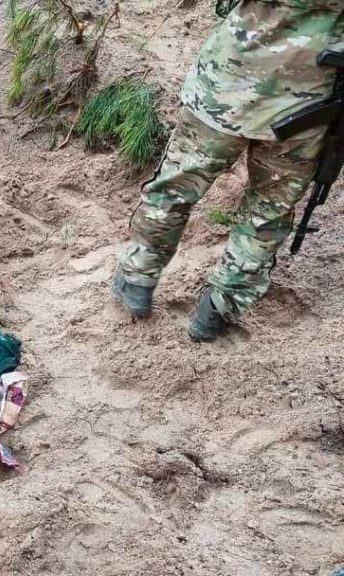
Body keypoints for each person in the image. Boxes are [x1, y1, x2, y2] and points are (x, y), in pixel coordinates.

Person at [111, 1, 344, 342]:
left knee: (177, 186)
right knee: (269, 211)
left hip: (227, 85)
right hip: (309, 102)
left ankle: (137, 279)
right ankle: (218, 309)